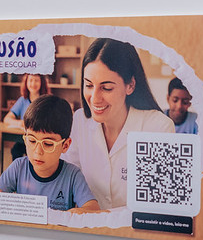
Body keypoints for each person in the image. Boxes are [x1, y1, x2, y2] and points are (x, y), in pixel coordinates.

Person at [61, 38, 174, 209]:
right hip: (86, 231)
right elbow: (67, 177)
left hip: (132, 234)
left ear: (130, 85)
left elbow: (157, 206)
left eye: (106, 88)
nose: (95, 98)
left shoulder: (159, 127)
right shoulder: (80, 121)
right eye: (89, 85)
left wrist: (99, 216)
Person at [0, 95, 99, 213]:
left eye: (48, 144)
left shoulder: (73, 175)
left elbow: (93, 208)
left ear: (65, 145)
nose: (38, 151)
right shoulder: (18, 167)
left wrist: (75, 214)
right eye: (32, 141)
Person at [3, 73, 49, 160]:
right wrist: (19, 123)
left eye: (36, 80)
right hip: (25, 139)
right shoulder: (22, 100)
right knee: (16, 150)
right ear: (26, 82)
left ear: (42, 82)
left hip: (41, 141)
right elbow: (7, 119)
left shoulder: (47, 101)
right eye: (30, 80)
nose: (33, 84)